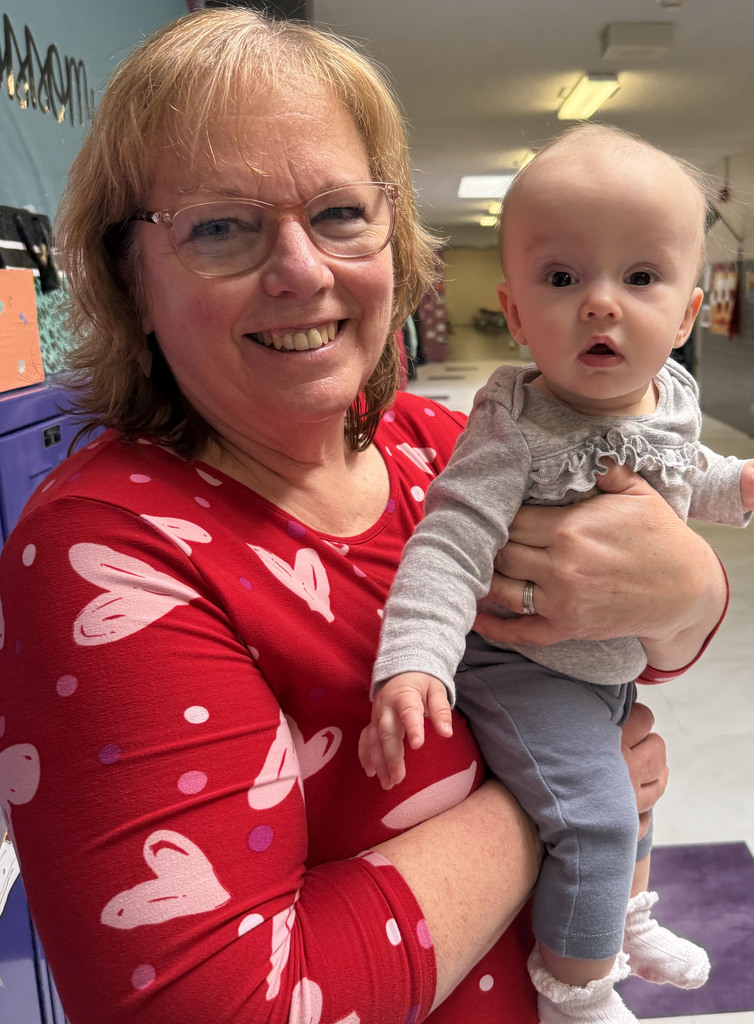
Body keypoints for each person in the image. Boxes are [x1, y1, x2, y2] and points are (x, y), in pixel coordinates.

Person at [0, 12, 728, 1022]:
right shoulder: (106, 554)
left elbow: (630, 633)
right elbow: (221, 1008)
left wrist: (695, 591)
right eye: (220, 225)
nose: (301, 270)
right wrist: (560, 803)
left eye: (340, 212)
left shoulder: (441, 442)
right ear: (131, 272)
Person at [362, 124, 753, 1023]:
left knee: (640, 789)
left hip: (607, 663)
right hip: (522, 670)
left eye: (641, 278)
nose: (601, 305)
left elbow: (690, 482)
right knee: (600, 818)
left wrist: (738, 486)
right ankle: (577, 994)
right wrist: (415, 655)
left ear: (690, 314)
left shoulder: (672, 404)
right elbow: (450, 538)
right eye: (563, 279)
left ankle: (629, 916)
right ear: (515, 308)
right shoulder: (513, 426)